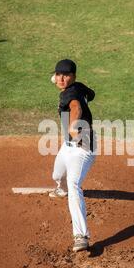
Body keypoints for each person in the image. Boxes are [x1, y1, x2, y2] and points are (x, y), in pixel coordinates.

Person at [49, 59, 96, 253]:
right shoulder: (78, 87)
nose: (61, 78)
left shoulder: (70, 94)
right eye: (58, 74)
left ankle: (81, 236)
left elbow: (76, 107)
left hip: (82, 148)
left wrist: (73, 125)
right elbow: (90, 94)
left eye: (65, 75)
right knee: (57, 175)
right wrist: (63, 81)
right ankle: (60, 188)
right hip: (68, 146)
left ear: (73, 76)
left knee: (74, 185)